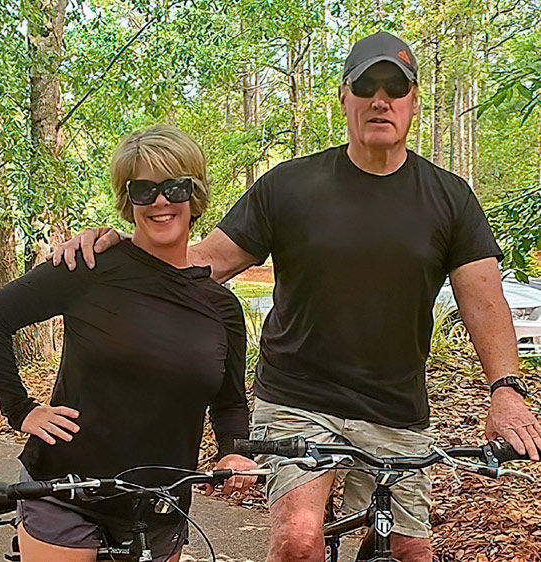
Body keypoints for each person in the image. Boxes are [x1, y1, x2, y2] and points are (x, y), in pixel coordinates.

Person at [50, 33, 541, 562]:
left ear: (414, 102)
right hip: (298, 398)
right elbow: (204, 262)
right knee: (298, 541)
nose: (381, 99)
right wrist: (124, 247)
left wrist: (506, 389)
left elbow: (484, 302)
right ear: (344, 98)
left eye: (395, 88)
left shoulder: (449, 198)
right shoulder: (290, 186)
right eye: (366, 86)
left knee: (410, 550)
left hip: (395, 407)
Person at [0, 124, 256, 562]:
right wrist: (21, 410)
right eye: (144, 190)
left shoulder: (221, 308)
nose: (160, 201)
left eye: (174, 186)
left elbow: (229, 403)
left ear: (195, 194)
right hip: (66, 491)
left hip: (160, 508)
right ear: (129, 201)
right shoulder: (89, 266)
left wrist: (233, 453)